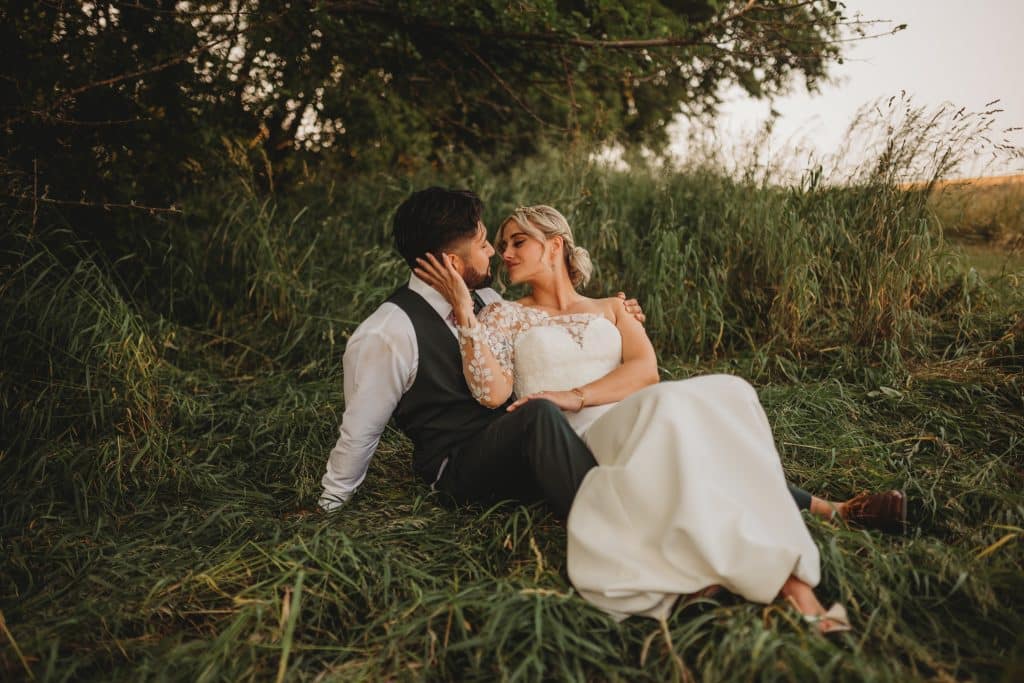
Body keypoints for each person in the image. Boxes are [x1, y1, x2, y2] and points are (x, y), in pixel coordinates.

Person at [412, 204, 903, 631]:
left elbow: (645, 371)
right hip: (573, 440)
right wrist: (466, 314)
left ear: (555, 245)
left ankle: (807, 571)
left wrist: (576, 394)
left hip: (632, 413)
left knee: (727, 391)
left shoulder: (612, 307)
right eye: (500, 245)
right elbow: (492, 392)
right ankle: (821, 536)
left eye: (518, 241)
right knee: (678, 414)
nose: (507, 253)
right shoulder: (503, 315)